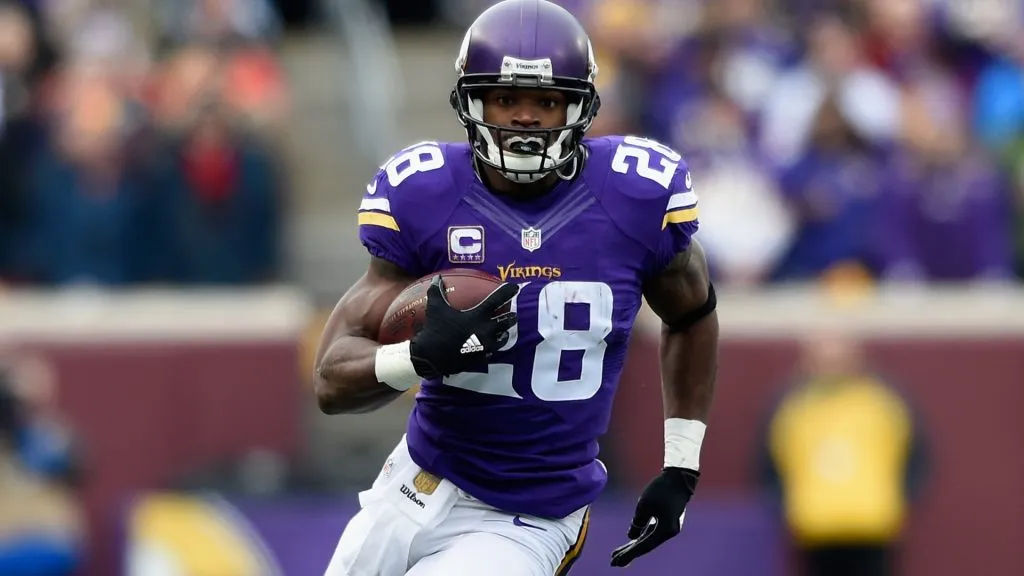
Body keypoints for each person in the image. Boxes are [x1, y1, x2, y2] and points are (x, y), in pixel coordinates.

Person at [314, 1, 719, 574]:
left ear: (581, 106)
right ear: (471, 102)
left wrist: (681, 465)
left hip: (530, 515)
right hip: (414, 482)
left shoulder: (636, 196)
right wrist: (418, 357)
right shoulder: (425, 193)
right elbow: (331, 379)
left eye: (546, 101)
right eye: (507, 99)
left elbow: (692, 314)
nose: (525, 118)